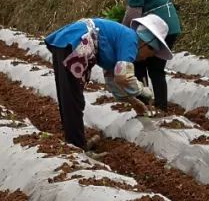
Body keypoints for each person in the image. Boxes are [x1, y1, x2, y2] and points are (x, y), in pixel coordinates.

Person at [44, 14, 173, 150]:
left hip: (68, 40)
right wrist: (142, 91)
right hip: (77, 42)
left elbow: (113, 81)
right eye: (150, 54)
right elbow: (124, 76)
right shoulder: (131, 41)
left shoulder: (122, 40)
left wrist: (135, 103)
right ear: (147, 45)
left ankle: (73, 142)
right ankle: (78, 147)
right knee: (72, 98)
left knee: (68, 96)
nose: (146, 58)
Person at [108, 0, 182, 111]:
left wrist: (122, 33)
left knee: (139, 63)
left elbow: (134, 11)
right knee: (157, 69)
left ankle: (145, 104)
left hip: (153, 29)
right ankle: (161, 107)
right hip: (172, 26)